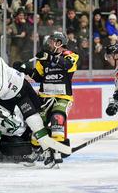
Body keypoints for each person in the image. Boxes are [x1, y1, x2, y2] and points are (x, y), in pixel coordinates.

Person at [0, 44, 71, 168]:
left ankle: (47, 150)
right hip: (5, 97)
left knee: (34, 120)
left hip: (20, 90)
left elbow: (1, 85)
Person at [14, 32, 79, 166]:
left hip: (62, 97)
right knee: (37, 126)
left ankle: (56, 153)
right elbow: (37, 77)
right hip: (44, 98)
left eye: (51, 41)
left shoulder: (71, 55)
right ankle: (36, 151)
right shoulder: (43, 60)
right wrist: (24, 69)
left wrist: (50, 57)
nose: (48, 44)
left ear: (59, 43)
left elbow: (66, 65)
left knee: (57, 119)